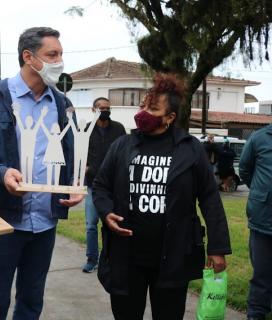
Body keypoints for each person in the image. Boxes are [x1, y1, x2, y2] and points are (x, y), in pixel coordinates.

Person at [0, 27, 83, 320]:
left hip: (45, 223)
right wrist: (1, 173)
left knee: (32, 299)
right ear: (28, 57)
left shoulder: (62, 103)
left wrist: (73, 185)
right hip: (3, 220)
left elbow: (68, 154)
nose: (60, 61)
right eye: (52, 55)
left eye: (61, 54)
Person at [93, 73, 231, 319]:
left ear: (170, 117)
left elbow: (210, 198)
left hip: (174, 257)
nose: (144, 111)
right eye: (143, 105)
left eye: (153, 108)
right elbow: (101, 185)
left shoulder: (191, 149)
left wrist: (218, 247)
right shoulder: (122, 145)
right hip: (127, 257)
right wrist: (106, 213)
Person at [82, 97, 125, 273]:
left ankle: (111, 258)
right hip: (93, 185)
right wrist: (84, 167)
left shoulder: (119, 129)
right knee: (91, 224)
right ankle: (92, 259)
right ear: (93, 110)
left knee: (111, 224)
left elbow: (126, 151)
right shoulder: (86, 129)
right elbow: (80, 151)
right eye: (101, 108)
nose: (105, 110)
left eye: (107, 108)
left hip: (114, 186)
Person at [239, 127, 272, 320]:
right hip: (263, 218)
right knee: (262, 274)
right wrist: (262, 193)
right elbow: (245, 169)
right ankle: (256, 314)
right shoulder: (259, 137)